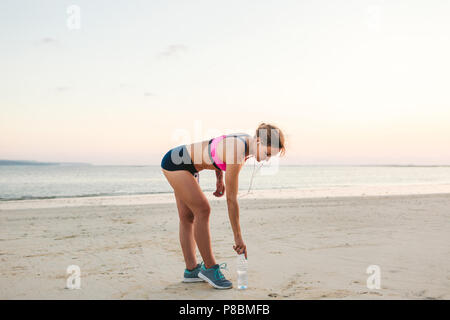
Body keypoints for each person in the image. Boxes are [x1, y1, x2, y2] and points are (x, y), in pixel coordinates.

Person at [160, 122, 286, 289]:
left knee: (187, 217)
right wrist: (238, 237)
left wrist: (219, 179)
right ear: (258, 142)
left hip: (185, 164)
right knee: (203, 210)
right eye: (267, 153)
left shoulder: (246, 142)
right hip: (175, 163)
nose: (267, 159)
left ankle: (191, 271)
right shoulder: (238, 152)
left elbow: (216, 147)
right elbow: (231, 200)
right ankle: (210, 268)